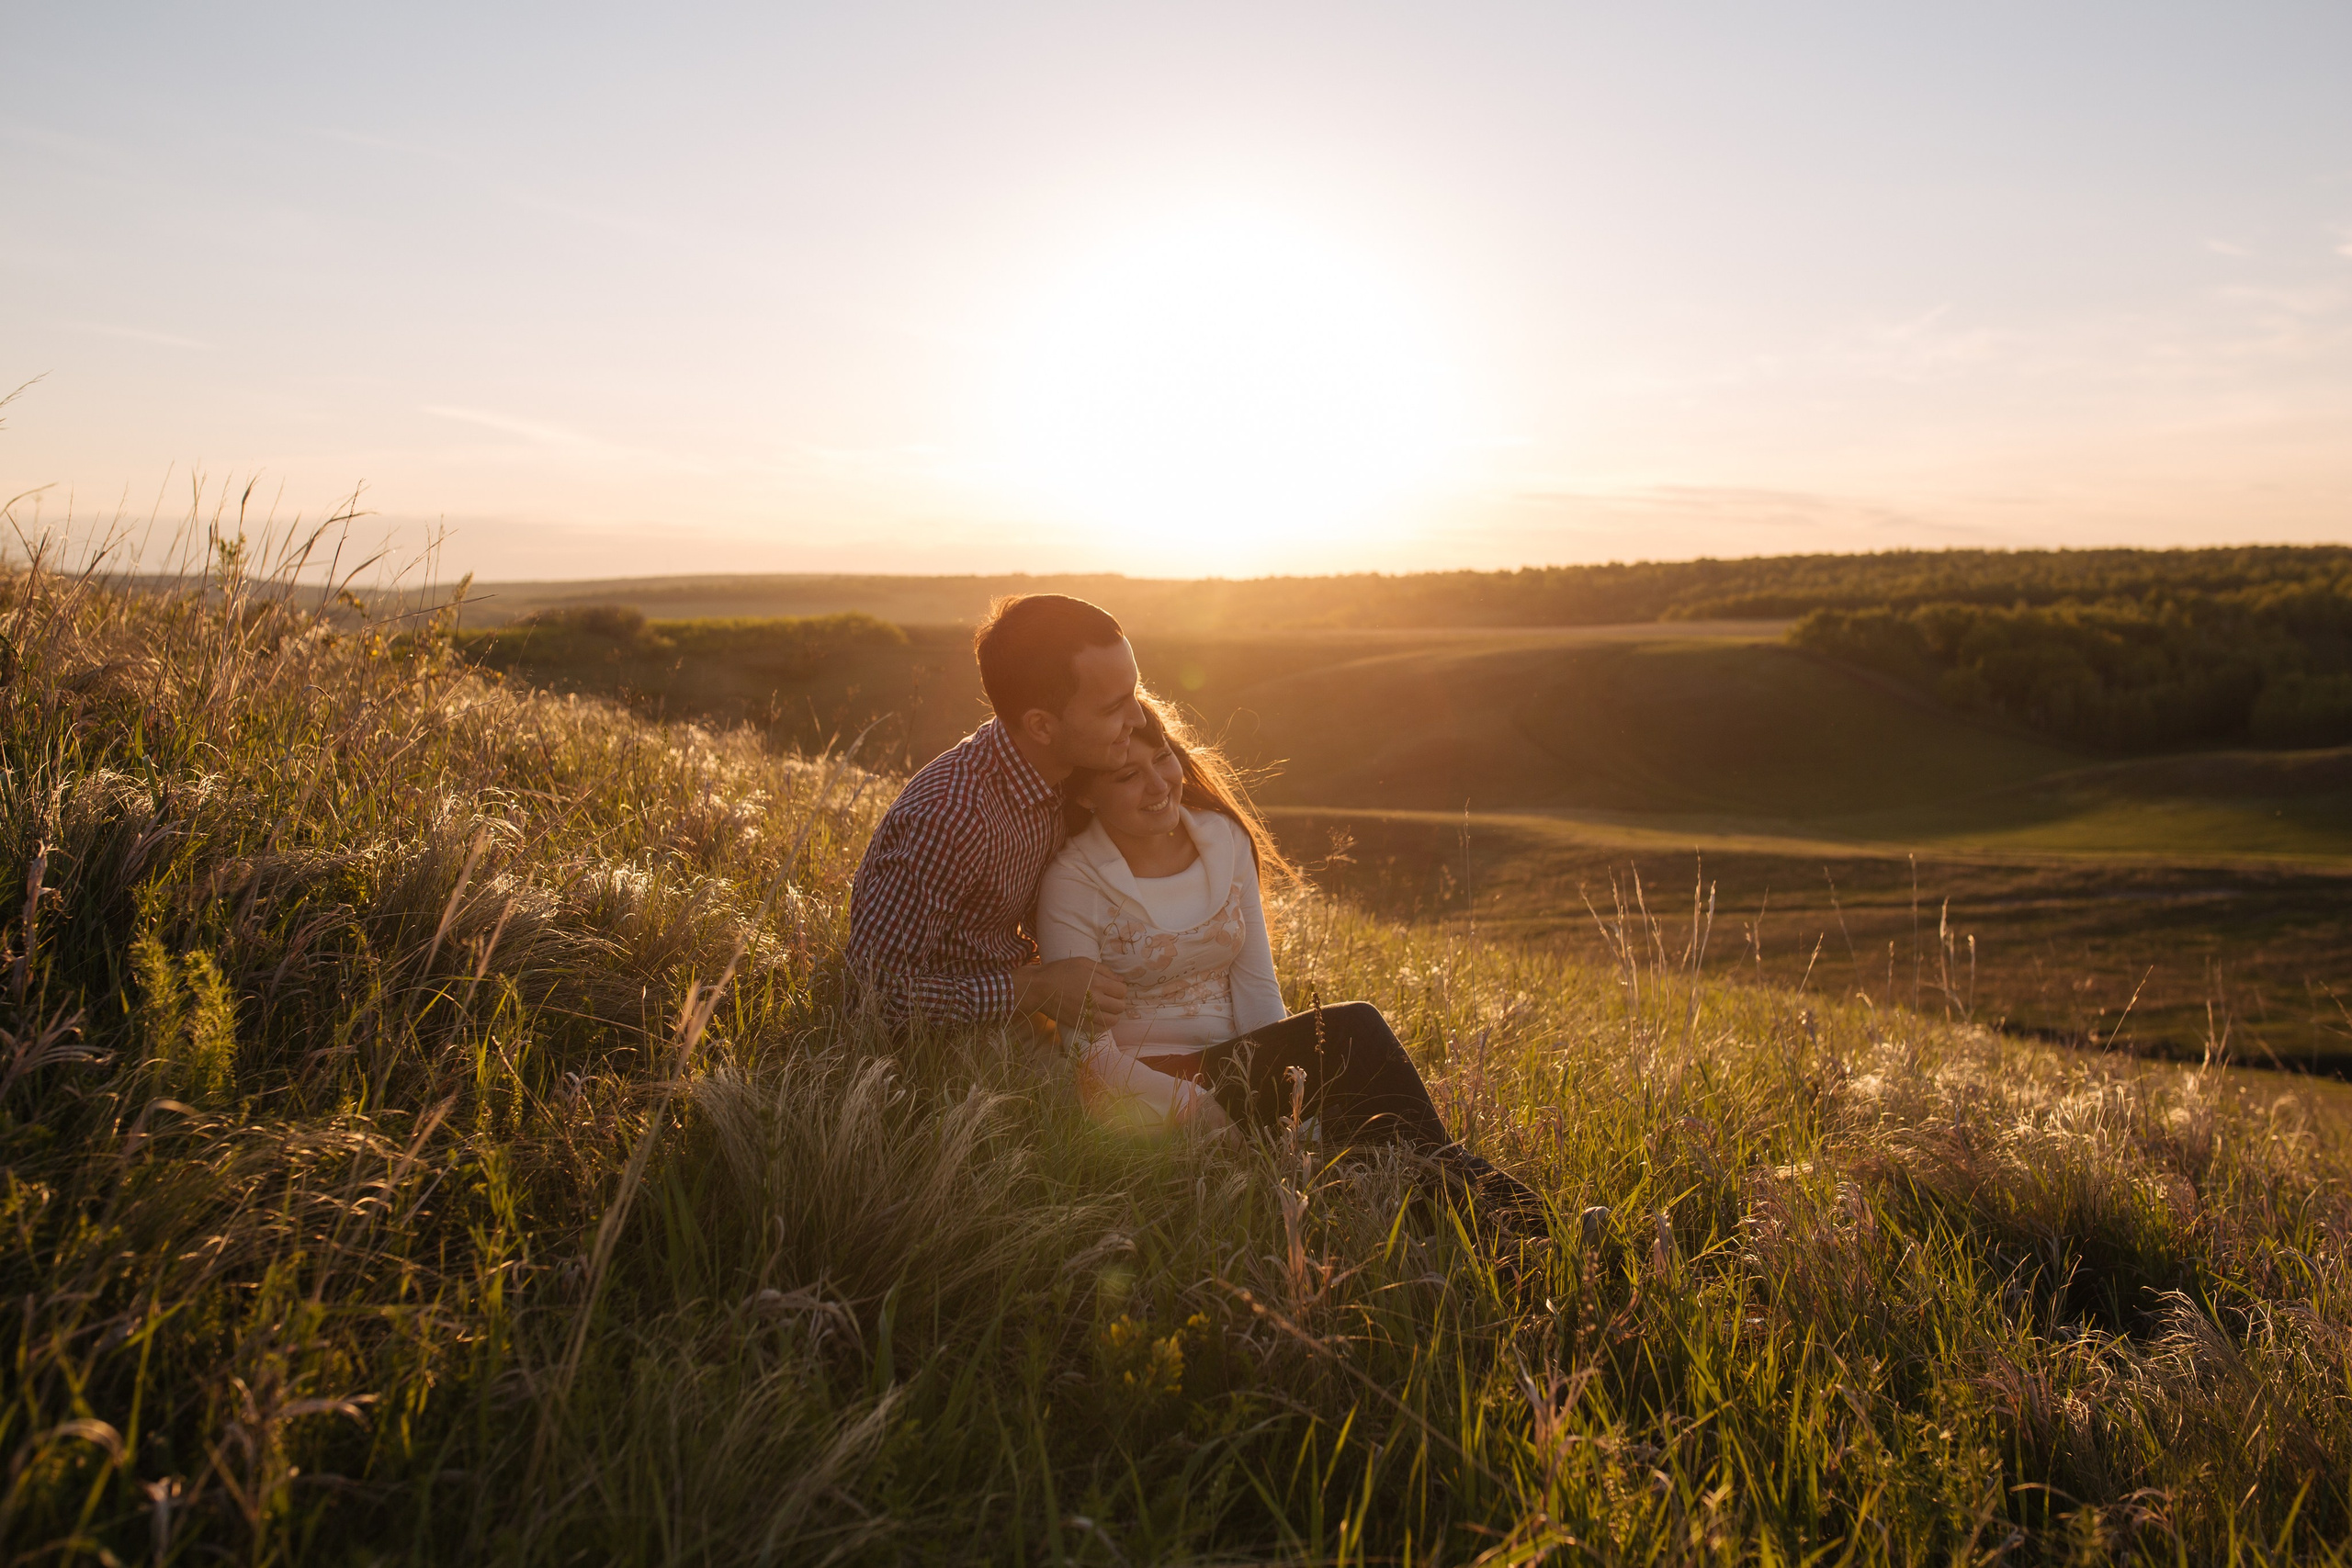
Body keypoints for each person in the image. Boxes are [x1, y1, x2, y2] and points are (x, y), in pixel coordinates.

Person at [1035, 697, 1544, 1226]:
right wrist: (1198, 1110)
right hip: (1147, 1089)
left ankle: (1503, 1231)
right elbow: (1091, 1059)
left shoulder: (1222, 839)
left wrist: (1294, 1096)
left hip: (1242, 1066)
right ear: (1086, 795)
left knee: (1368, 1120)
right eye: (1126, 777)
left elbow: (1257, 990)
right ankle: (1530, 1226)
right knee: (1356, 1031)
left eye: (1163, 758)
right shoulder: (1072, 884)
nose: (1160, 784)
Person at [846, 592, 1142, 1033]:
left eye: (1133, 694)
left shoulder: (1073, 770)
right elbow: (872, 995)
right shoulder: (949, 818)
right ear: (1041, 725)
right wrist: (1035, 989)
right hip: (965, 1054)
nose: (1137, 717)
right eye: (1113, 707)